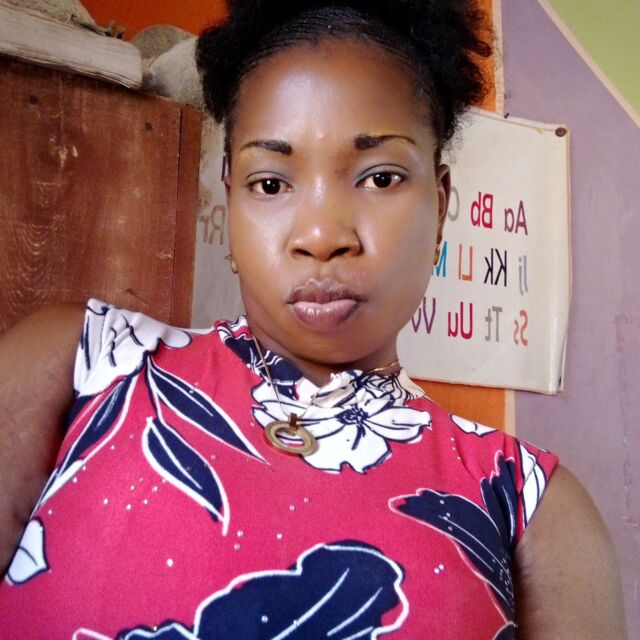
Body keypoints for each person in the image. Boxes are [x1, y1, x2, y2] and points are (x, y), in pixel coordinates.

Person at [0, 1, 627, 638]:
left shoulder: (531, 508)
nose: (322, 235)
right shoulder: (77, 365)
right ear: (229, 197)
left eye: (380, 178)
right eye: (271, 184)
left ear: (439, 208)